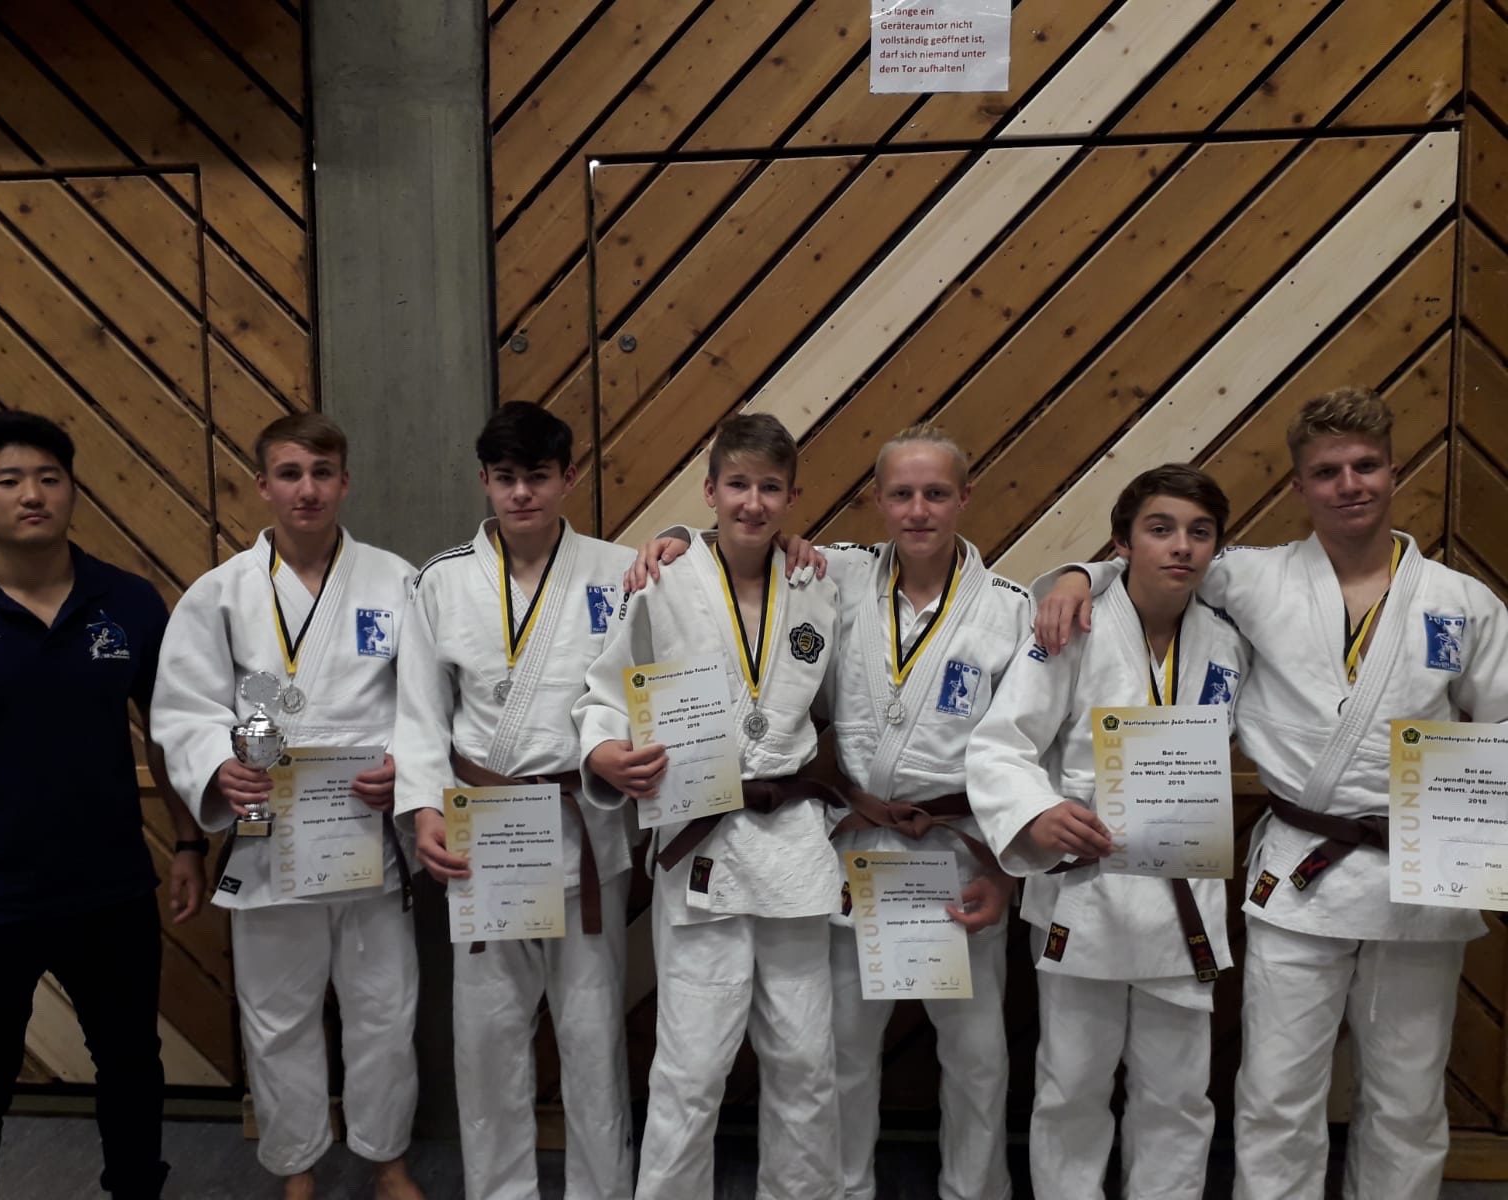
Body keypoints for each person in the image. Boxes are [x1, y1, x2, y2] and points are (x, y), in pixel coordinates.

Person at [1038, 389, 1508, 1199]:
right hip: (1301, 872)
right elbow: (1158, 560)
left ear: (1394, 471)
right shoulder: (1253, 577)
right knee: (1278, 1090)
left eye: (1365, 466)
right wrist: (1081, 574)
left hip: (1421, 869)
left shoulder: (1461, 603)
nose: (1349, 484)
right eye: (1327, 472)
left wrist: (1479, 840)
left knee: (1408, 1092)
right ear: (1299, 486)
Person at [629, 423, 1026, 1199]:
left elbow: (1024, 747)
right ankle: (843, 1190)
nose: (918, 510)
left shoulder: (1010, 607)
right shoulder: (834, 573)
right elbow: (737, 546)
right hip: (857, 847)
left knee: (978, 1058)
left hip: (958, 851)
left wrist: (1008, 869)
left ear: (964, 498)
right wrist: (675, 537)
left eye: (936, 493)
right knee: (834, 1052)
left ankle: (975, 1192)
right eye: (902, 494)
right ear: (877, 500)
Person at [0, 411, 205, 1200]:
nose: (32, 495)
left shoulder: (129, 603)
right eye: (8, 480)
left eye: (49, 478)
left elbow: (169, 733)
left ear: (72, 491)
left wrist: (188, 843)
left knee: (132, 1066)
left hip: (109, 889)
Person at [151, 414, 422, 1200]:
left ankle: (387, 1159)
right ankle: (297, 1166)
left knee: (385, 1012)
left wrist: (407, 769)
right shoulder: (220, 594)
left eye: (322, 472)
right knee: (277, 1017)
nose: (308, 489)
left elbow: (428, 701)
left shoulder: (396, 582)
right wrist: (217, 767)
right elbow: (183, 709)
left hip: (367, 836)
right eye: (291, 473)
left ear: (345, 482)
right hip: (270, 839)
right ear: (263, 485)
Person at [575, 414, 843, 1200]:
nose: (753, 503)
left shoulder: (820, 583)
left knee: (805, 1059)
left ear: (793, 497)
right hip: (703, 842)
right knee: (691, 1067)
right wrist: (604, 751)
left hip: (792, 844)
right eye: (737, 485)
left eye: (770, 488)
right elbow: (605, 691)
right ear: (710, 491)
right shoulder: (663, 580)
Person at [969, 464, 1248, 1200]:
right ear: (1122, 542)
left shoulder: (1226, 641)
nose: (1181, 546)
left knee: (1179, 1094)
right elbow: (1000, 745)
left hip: (1182, 892)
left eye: (1199, 533)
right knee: (1071, 1087)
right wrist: (1037, 812)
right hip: (1086, 891)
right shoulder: (1074, 627)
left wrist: (1075, 574)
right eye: (1160, 529)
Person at [392, 401, 636, 1200]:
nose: (522, 493)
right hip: (487, 831)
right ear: (484, 481)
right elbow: (420, 713)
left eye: (538, 476)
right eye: (506, 478)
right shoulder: (441, 580)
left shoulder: (620, 571)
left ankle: (602, 1191)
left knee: (593, 1035)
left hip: (584, 824)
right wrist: (425, 808)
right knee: (489, 1035)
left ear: (569, 477)